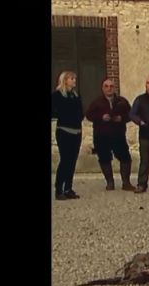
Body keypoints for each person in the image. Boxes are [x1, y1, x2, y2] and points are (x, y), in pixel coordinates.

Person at [85, 78, 135, 191]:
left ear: (114, 88)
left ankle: (126, 183)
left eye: (111, 86)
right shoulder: (97, 102)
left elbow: (131, 114)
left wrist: (121, 118)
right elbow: (88, 115)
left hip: (118, 135)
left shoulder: (122, 101)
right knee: (104, 158)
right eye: (106, 86)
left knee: (125, 158)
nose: (109, 89)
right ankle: (110, 183)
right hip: (101, 135)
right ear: (102, 88)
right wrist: (101, 117)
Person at [51, 70, 84, 200]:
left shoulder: (75, 95)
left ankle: (68, 188)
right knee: (65, 161)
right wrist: (64, 115)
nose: (74, 81)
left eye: (74, 78)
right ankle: (59, 189)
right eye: (72, 78)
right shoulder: (57, 95)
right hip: (64, 131)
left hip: (76, 132)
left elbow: (80, 111)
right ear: (65, 80)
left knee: (72, 161)